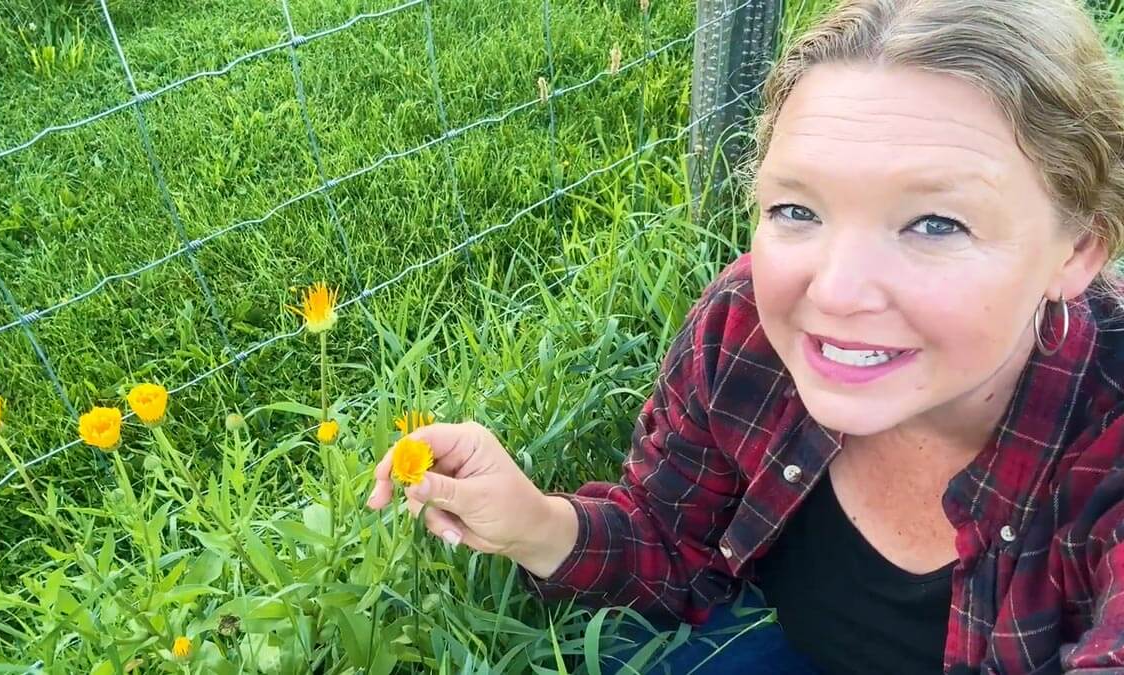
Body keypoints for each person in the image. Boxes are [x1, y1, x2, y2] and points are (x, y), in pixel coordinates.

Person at [366, 0, 1124, 672]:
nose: (833, 291)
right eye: (798, 209)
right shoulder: (747, 327)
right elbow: (667, 538)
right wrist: (533, 522)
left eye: (935, 223)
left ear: (1079, 249)